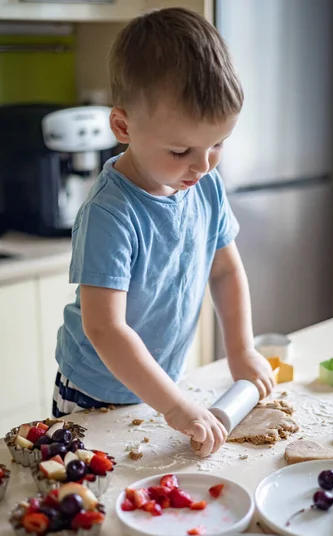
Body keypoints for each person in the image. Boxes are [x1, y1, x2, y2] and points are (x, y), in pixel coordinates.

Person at [54, 7, 275, 457]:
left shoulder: (205, 185)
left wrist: (241, 349)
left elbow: (226, 272)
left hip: (163, 384)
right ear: (123, 126)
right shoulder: (110, 214)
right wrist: (175, 407)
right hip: (93, 396)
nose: (203, 164)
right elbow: (105, 327)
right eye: (180, 150)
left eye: (217, 143)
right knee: (101, 500)